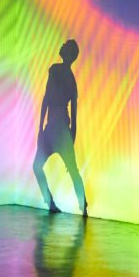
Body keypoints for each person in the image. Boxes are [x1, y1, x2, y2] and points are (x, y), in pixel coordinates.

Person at [33, 39, 87, 216]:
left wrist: (41, 128)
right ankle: (81, 206)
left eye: (65, 46)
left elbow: (47, 98)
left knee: (40, 166)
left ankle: (55, 204)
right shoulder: (71, 80)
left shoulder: (56, 70)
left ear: (69, 54)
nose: (61, 46)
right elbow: (73, 111)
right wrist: (72, 134)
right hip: (62, 126)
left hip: (56, 127)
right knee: (72, 169)